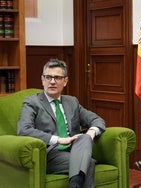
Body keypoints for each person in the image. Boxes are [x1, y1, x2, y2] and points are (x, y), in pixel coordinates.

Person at [17, 59, 106, 188]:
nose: (52, 81)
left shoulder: (72, 102)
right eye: (48, 77)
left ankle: (75, 183)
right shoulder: (32, 102)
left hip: (75, 149)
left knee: (85, 138)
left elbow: (97, 120)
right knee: (89, 162)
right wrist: (58, 140)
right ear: (42, 80)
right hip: (49, 153)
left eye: (57, 78)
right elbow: (23, 129)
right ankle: (76, 182)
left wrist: (91, 133)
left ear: (65, 81)